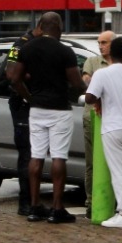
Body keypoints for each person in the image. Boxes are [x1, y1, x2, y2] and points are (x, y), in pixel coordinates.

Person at [11, 12, 86, 223]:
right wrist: (91, 89)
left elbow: (15, 80)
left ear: (41, 27)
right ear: (59, 28)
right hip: (59, 109)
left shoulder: (27, 49)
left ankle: (34, 208)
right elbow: (76, 84)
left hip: (37, 109)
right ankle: (57, 208)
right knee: (58, 156)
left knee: (36, 156)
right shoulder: (65, 51)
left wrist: (30, 98)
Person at [84, 38, 122, 228]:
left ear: (110, 53)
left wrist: (97, 98)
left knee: (118, 170)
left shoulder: (102, 74)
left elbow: (89, 98)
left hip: (112, 126)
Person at [5, 25, 46, 215]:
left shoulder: (38, 45)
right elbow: (11, 74)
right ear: (39, 28)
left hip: (34, 104)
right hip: (22, 104)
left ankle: (33, 200)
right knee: (27, 154)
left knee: (35, 153)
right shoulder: (20, 45)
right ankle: (25, 202)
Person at [81, 30, 114, 219]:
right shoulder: (92, 62)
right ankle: (91, 202)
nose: (101, 46)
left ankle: (114, 201)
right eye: (99, 42)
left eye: (105, 42)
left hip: (115, 119)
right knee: (92, 162)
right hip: (93, 117)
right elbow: (88, 83)